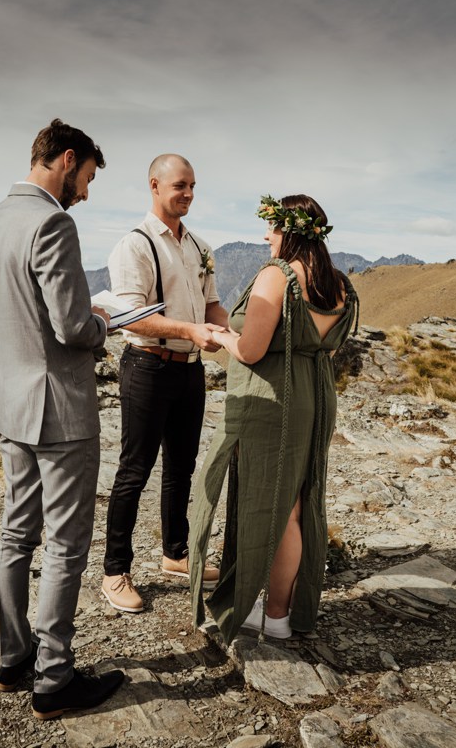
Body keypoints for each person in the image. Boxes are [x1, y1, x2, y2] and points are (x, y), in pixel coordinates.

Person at [0, 118, 124, 718]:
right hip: (61, 410)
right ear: (66, 160)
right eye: (87, 178)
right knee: (66, 545)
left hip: (13, 403)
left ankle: (14, 660)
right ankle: (55, 680)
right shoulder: (52, 223)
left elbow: (3, 307)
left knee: (15, 535)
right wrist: (105, 325)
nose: (85, 193)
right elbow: (69, 327)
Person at [189, 193, 358, 642]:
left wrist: (221, 336)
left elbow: (251, 350)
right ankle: (281, 613)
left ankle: (258, 611)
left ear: (291, 231)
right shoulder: (339, 283)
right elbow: (329, 347)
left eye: (273, 227)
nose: (267, 236)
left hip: (274, 400)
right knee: (299, 504)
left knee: (272, 505)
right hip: (316, 397)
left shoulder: (276, 276)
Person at [100, 154, 229, 613]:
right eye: (180, 186)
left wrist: (225, 333)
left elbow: (211, 305)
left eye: (193, 185)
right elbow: (132, 317)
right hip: (148, 369)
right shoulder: (134, 246)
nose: (188, 194)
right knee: (133, 471)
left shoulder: (199, 246)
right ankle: (115, 571)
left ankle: (175, 554)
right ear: (154, 185)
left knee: (182, 466)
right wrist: (190, 331)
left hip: (190, 370)